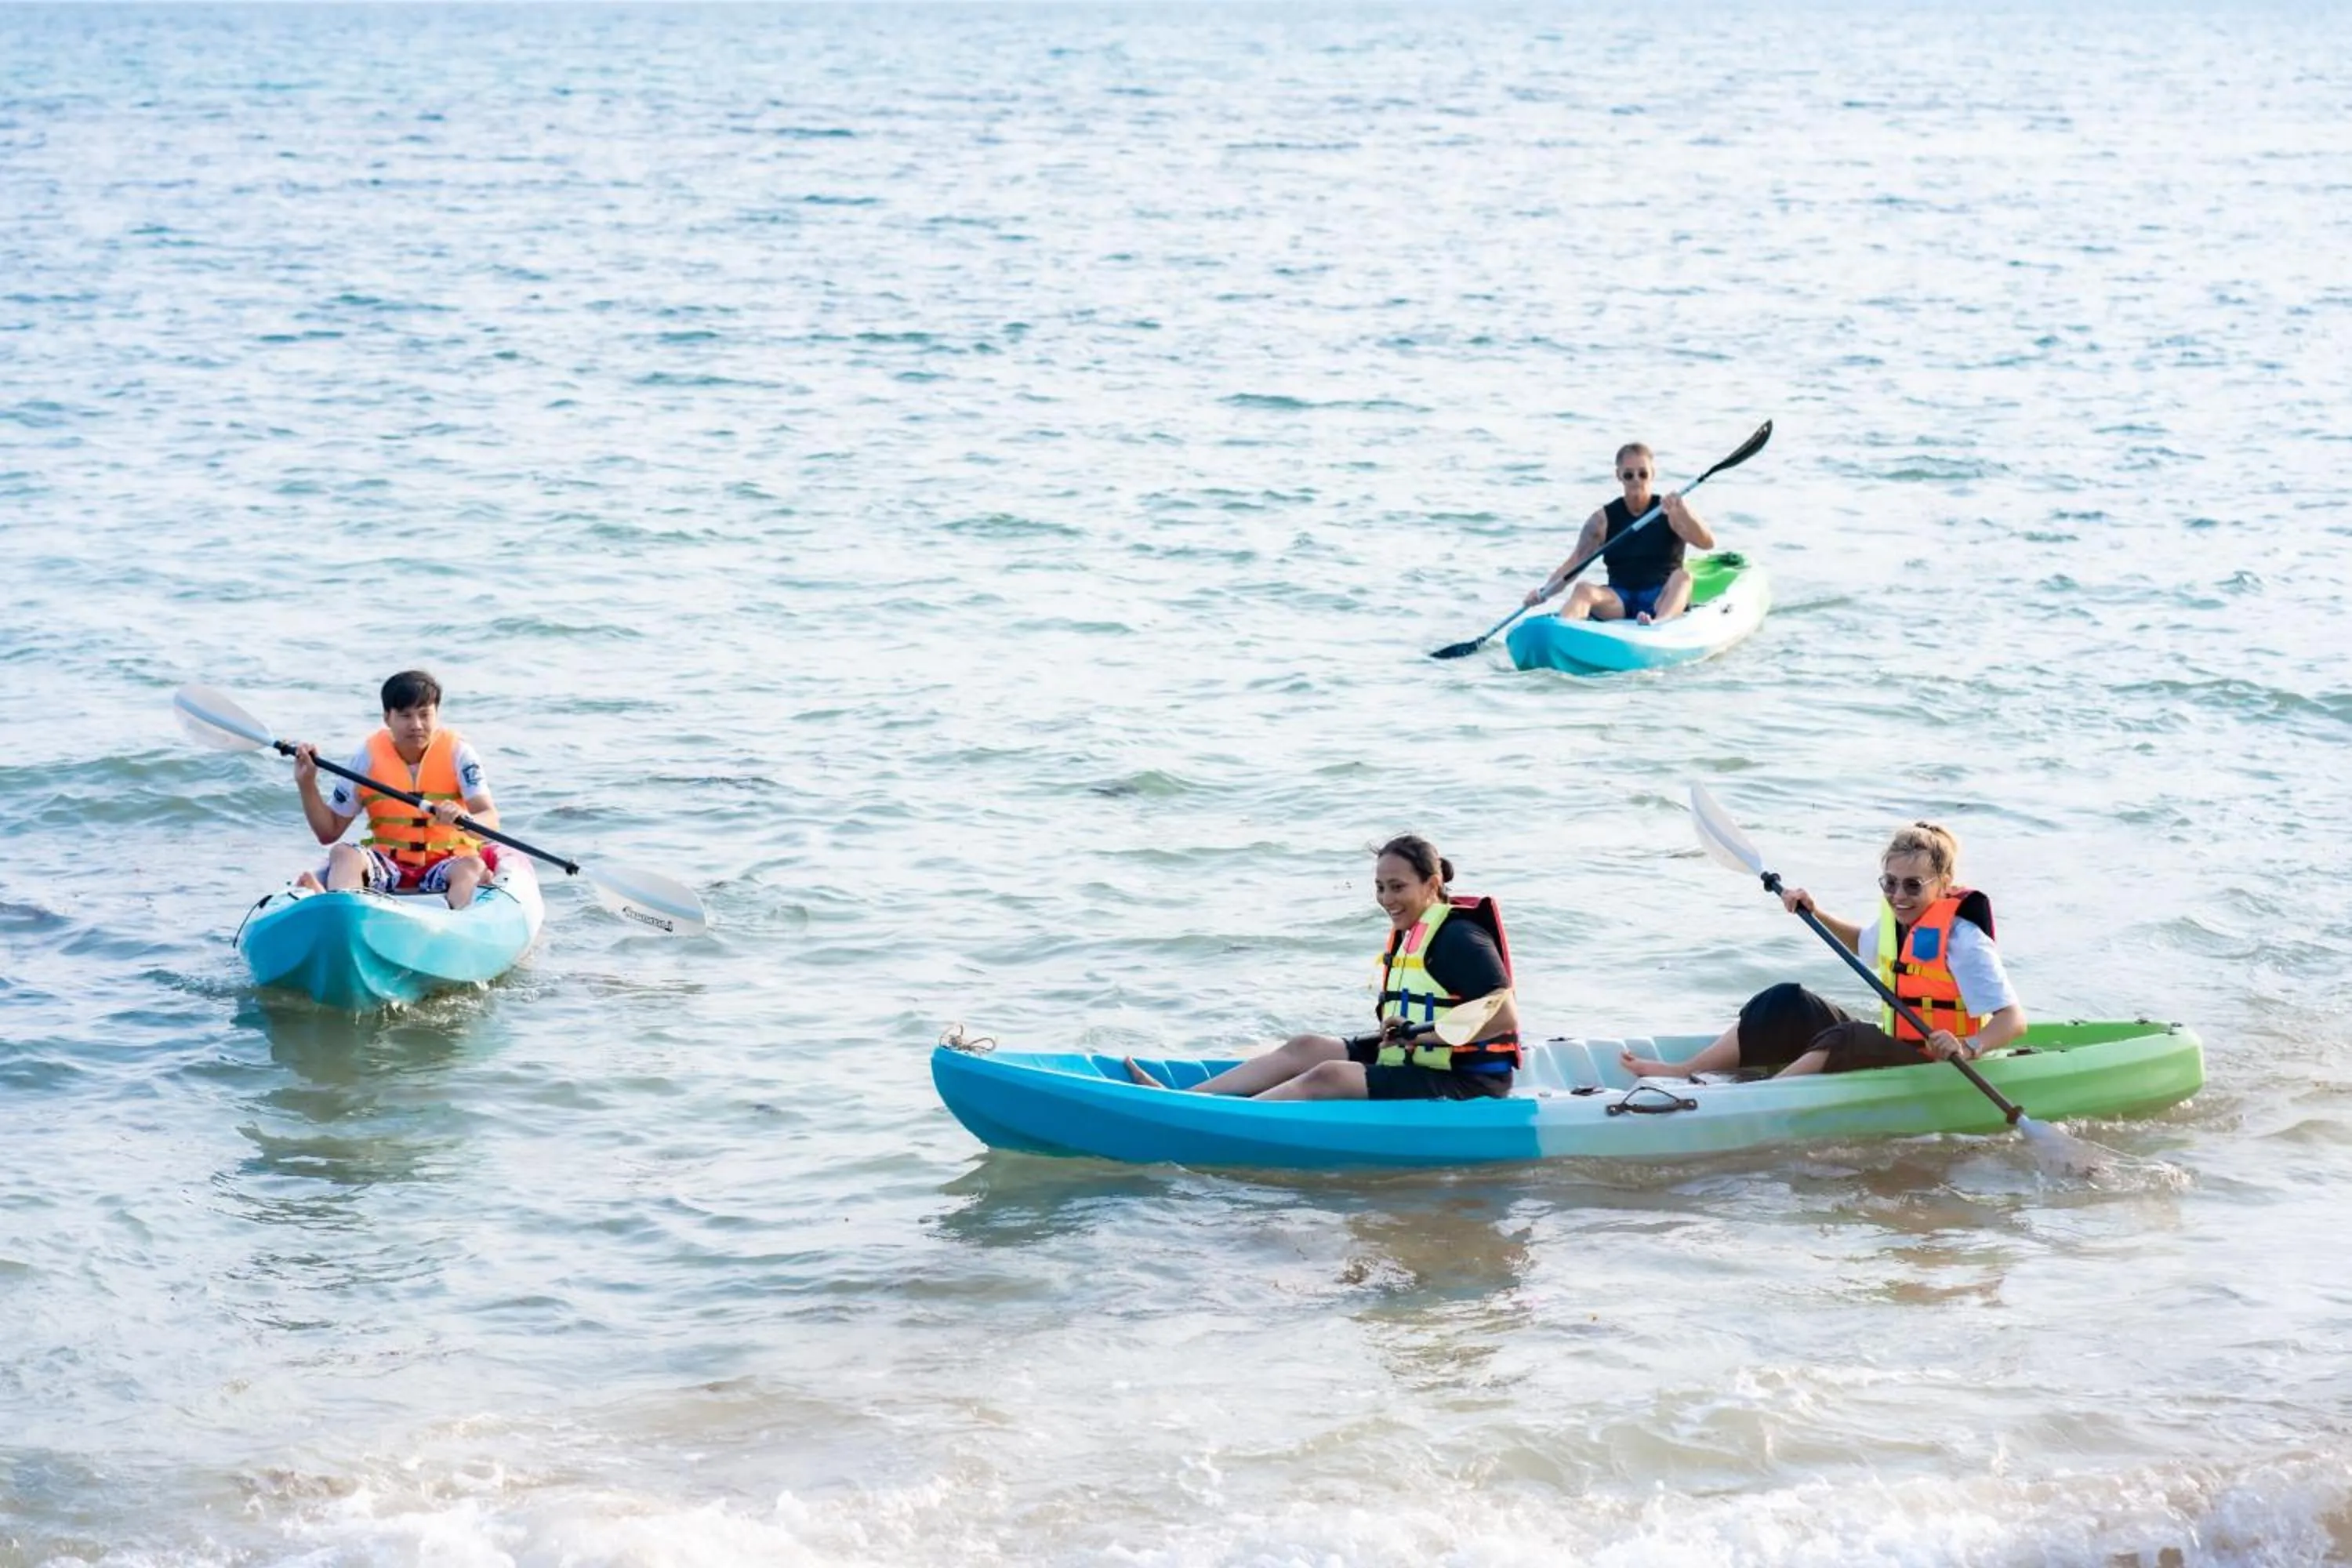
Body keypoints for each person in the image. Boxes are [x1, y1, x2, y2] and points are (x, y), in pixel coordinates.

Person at [1123, 835, 1521, 1101]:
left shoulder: (1461, 937)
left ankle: (1217, 1120)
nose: (1386, 899)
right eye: (1380, 887)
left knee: (1331, 1074)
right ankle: (1186, 1100)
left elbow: (1504, 1016)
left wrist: (1421, 1037)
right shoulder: (1414, 930)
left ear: (1432, 885)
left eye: (1398, 887)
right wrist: (1407, 1034)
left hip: (1467, 1078)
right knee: (1307, 1047)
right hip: (1416, 1055)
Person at [1621, 821, 2029, 1079]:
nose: (1898, 895)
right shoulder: (1898, 922)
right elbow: (1862, 944)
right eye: (1889, 883)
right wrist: (1814, 912)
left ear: (1944, 884)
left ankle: (1762, 1097)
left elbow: (2013, 1020)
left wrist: (1968, 1047)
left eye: (1912, 885)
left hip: (1938, 1065)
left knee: (1849, 1036)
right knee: (1786, 1000)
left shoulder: (1963, 940)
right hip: (1900, 1045)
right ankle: (1684, 1071)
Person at [289, 670, 501, 911]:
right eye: (405, 716)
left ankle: (458, 917)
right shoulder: (366, 758)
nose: (416, 725)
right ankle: (346, 911)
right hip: (388, 865)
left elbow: (490, 819)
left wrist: (465, 820)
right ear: (387, 718)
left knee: (472, 867)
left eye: (425, 715)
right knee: (343, 853)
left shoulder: (459, 753)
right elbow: (329, 832)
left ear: (436, 714)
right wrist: (307, 784)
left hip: (448, 864)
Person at [1523, 441, 1716, 625]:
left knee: (1683, 578)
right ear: (1619, 476)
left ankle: (1658, 625)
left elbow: (1707, 543)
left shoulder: (1671, 510)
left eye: (1643, 474)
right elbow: (1574, 563)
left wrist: (1684, 511)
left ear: (1653, 474)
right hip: (1619, 600)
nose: (1636, 481)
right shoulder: (1602, 520)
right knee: (1583, 590)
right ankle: (1564, 629)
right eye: (1629, 475)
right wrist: (1543, 593)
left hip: (1661, 598)